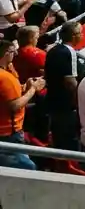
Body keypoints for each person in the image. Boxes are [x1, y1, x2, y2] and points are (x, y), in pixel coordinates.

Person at [0, 39, 44, 170]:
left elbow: (7, 95)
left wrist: (25, 87)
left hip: (7, 133)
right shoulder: (5, 77)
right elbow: (14, 105)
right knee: (28, 168)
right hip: (8, 133)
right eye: (13, 52)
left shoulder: (7, 74)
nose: (15, 55)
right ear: (6, 53)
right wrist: (33, 89)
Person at [44, 20, 83, 150]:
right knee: (69, 138)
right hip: (66, 104)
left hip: (52, 100)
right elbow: (70, 81)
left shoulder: (53, 50)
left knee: (58, 136)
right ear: (74, 36)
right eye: (81, 33)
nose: (82, 35)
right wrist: (79, 100)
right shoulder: (69, 52)